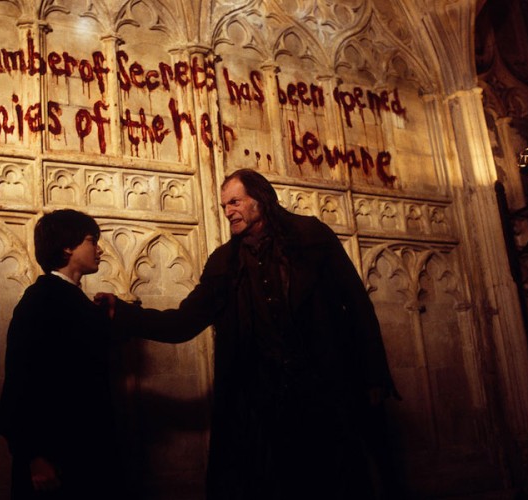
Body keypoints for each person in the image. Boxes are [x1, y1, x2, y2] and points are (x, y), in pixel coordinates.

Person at [99, 169, 398, 499]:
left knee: (335, 480)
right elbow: (185, 321)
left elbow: (356, 305)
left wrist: (374, 376)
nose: (228, 211)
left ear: (261, 199)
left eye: (235, 202)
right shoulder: (225, 262)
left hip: (324, 391)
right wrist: (124, 314)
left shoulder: (311, 237)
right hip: (263, 404)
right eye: (224, 206)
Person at [0, 209, 125, 499]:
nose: (99, 249)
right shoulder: (40, 299)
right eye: (91, 240)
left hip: (85, 446)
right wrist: (34, 455)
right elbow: (22, 380)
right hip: (55, 454)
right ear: (67, 247)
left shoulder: (73, 299)